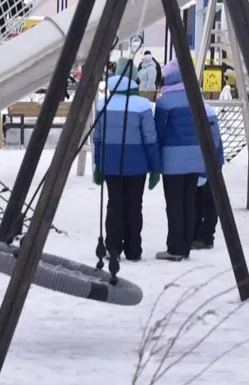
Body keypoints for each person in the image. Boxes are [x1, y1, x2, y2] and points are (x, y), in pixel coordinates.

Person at [152, 62, 224, 260]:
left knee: (174, 204)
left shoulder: (165, 102)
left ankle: (175, 247)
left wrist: (155, 160)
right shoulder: (196, 100)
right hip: (195, 159)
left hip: (172, 161)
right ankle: (186, 245)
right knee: (189, 202)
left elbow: (158, 131)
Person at [92, 72, 160, 265]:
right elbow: (150, 138)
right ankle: (133, 249)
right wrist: (155, 167)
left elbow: (97, 138)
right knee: (134, 206)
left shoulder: (103, 104)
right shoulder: (142, 106)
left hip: (111, 165)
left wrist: (98, 164)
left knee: (114, 204)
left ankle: (112, 247)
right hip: (137, 165)